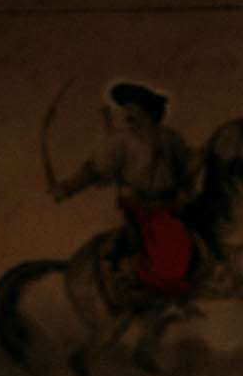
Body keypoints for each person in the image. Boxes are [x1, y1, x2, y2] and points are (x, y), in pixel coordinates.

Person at [50, 81, 199, 299]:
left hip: (173, 205)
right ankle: (140, 284)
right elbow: (94, 169)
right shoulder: (121, 141)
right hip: (142, 207)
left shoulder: (171, 139)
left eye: (133, 108)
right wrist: (67, 188)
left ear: (146, 110)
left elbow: (186, 168)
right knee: (170, 244)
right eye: (126, 108)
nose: (127, 113)